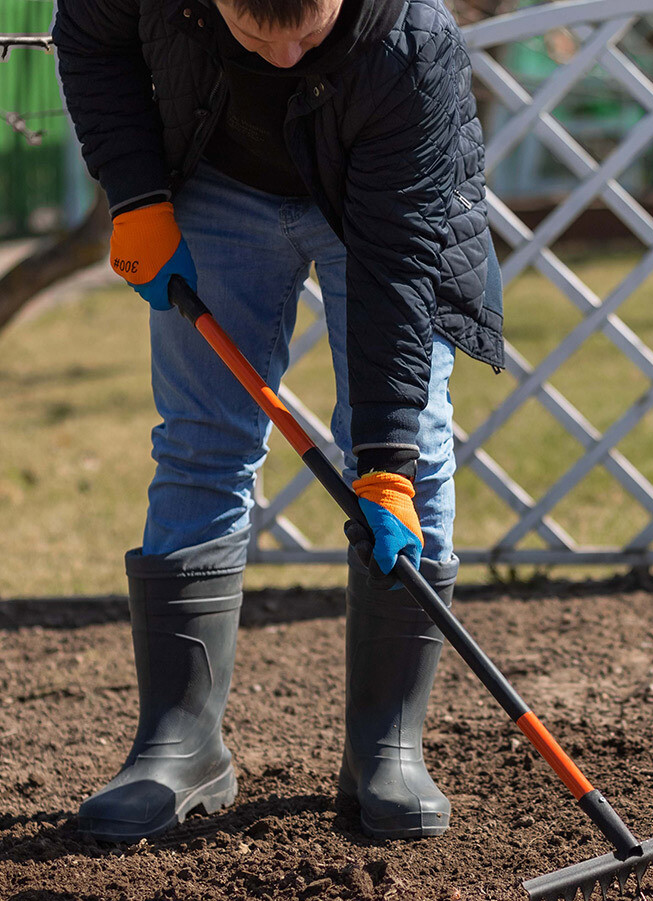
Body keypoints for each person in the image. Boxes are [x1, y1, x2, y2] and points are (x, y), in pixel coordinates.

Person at [52, 0, 504, 843]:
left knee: (419, 457)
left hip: (375, 214)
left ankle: (387, 747)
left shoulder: (412, 45)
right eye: (262, 34)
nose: (289, 57)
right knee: (200, 441)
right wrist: (137, 196)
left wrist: (387, 463)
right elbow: (89, 39)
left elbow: (400, 269)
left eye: (309, 29)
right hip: (217, 184)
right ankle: (180, 746)